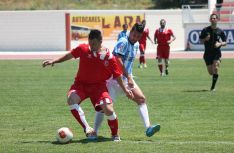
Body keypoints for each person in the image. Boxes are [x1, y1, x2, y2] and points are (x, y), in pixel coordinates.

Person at [42, 29, 133, 142]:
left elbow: (117, 76)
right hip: (81, 85)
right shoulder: (83, 49)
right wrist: (54, 61)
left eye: (94, 44)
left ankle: (115, 134)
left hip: (98, 88)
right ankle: (87, 128)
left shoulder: (109, 57)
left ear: (100, 41)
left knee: (108, 109)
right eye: (90, 43)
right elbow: (69, 55)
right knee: (71, 99)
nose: (91, 46)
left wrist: (125, 90)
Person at [93, 22, 161, 138]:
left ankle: (148, 128)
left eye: (138, 36)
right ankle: (94, 132)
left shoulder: (136, 44)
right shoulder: (123, 42)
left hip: (126, 78)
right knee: (104, 108)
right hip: (113, 80)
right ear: (131, 31)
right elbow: (117, 60)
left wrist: (129, 77)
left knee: (141, 99)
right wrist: (128, 77)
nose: (135, 38)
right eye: (134, 35)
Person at [199, 13, 227, 91]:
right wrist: (205, 39)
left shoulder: (220, 31)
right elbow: (200, 40)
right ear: (210, 20)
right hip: (207, 54)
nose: (213, 19)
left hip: (216, 53)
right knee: (211, 72)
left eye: (215, 18)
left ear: (217, 20)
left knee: (216, 68)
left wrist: (220, 43)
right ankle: (214, 77)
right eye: (212, 18)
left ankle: (213, 87)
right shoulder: (205, 30)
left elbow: (225, 42)